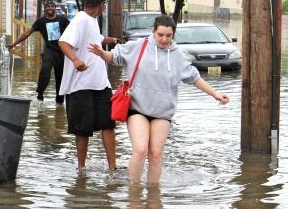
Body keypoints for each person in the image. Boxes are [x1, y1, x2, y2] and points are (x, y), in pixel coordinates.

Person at [88, 14, 230, 183]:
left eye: (168, 36)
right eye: (160, 35)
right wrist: (102, 53)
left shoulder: (178, 56)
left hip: (162, 112)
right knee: (140, 150)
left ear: (173, 35)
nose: (164, 39)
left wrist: (216, 94)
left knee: (155, 154)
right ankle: (134, 194)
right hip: (137, 108)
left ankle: (154, 197)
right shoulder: (139, 46)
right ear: (153, 32)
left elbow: (194, 78)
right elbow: (115, 58)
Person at [58, 0, 120, 171]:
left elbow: (94, 38)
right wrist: (76, 60)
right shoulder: (80, 20)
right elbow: (63, 42)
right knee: (82, 130)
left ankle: (113, 167)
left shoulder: (92, 20)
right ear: (101, 5)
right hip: (80, 85)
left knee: (108, 125)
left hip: (101, 83)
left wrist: (109, 40)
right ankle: (81, 169)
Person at [6, 0, 70, 103]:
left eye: (52, 6)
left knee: (60, 77)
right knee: (45, 71)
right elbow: (27, 33)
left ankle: (60, 102)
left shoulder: (62, 20)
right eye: (48, 6)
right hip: (48, 51)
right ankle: (40, 94)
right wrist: (13, 44)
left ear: (55, 8)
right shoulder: (41, 21)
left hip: (61, 52)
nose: (50, 8)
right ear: (45, 9)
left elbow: (73, 31)